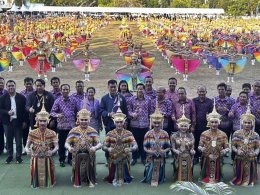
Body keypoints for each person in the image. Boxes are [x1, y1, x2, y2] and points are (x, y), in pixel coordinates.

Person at [65, 100, 102, 188]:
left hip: (89, 154)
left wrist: (95, 148)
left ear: (89, 120)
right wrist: (69, 148)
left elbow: (99, 143)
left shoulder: (92, 130)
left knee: (89, 167)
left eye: (86, 120)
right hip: (77, 154)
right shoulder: (73, 131)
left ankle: (90, 179)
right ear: (78, 120)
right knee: (77, 170)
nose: (84, 121)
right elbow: (67, 143)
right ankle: (77, 179)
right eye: (82, 120)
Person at [25, 102, 58, 188]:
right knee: (35, 162)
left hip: (48, 156)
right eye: (40, 121)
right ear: (37, 121)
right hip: (36, 156)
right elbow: (27, 146)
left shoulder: (52, 133)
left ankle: (49, 181)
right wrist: (27, 150)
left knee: (48, 166)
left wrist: (53, 151)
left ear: (47, 121)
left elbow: (56, 146)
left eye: (44, 121)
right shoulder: (32, 132)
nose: (42, 123)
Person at [103, 107, 138, 186]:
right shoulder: (110, 133)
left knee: (125, 163)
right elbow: (103, 146)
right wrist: (108, 149)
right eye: (117, 122)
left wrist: (130, 149)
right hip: (113, 157)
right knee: (111, 176)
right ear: (114, 122)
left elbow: (135, 145)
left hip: (125, 157)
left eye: (121, 122)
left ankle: (126, 176)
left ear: (124, 122)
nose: (119, 124)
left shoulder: (128, 133)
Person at [198, 100, 229, 183]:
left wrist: (224, 151)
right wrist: (201, 149)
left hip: (218, 157)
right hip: (207, 157)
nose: (214, 124)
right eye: (212, 122)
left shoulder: (223, 134)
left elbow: (227, 148)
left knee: (218, 175)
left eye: (216, 122)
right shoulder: (204, 134)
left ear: (218, 123)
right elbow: (199, 146)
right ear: (209, 123)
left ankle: (217, 178)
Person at [141, 104, 171, 187]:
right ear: (152, 122)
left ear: (161, 122)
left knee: (160, 178)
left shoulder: (165, 134)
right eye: (155, 123)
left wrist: (163, 151)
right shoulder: (148, 133)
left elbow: (168, 147)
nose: (157, 125)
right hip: (151, 157)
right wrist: (151, 151)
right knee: (149, 178)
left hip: (161, 157)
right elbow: (144, 147)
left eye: (158, 123)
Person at [230, 103, 260, 186]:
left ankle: (249, 178)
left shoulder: (256, 135)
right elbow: (232, 145)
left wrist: (255, 153)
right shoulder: (236, 133)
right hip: (240, 157)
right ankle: (239, 177)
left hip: (250, 158)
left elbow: (258, 148)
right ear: (242, 123)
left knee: (250, 179)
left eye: (249, 123)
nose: (247, 124)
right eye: (245, 122)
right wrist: (237, 151)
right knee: (238, 176)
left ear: (252, 124)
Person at [50, 84, 79, 167]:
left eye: (67, 89)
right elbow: (52, 112)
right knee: (62, 143)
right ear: (61, 90)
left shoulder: (74, 100)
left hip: (72, 126)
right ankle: (62, 159)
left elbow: (78, 111)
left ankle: (70, 159)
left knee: (72, 143)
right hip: (61, 126)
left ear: (69, 90)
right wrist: (57, 115)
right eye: (63, 89)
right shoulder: (58, 101)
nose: (65, 91)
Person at [0, 80, 27, 164]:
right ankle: (10, 156)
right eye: (9, 86)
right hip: (7, 123)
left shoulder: (22, 97)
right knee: (9, 140)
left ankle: (18, 156)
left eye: (12, 86)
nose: (11, 87)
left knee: (19, 140)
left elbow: (25, 111)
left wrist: (24, 121)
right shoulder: (2, 98)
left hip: (18, 122)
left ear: (15, 86)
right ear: (6, 87)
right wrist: (7, 112)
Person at [128, 83, 154, 165]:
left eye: (141, 89)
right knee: (134, 141)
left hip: (145, 124)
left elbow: (151, 111)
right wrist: (132, 114)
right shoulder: (131, 99)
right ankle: (134, 158)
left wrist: (150, 121)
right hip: (134, 124)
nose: (140, 90)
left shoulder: (148, 99)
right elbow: (128, 110)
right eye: (138, 89)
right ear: (136, 90)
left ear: (144, 89)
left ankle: (143, 158)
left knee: (144, 142)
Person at [171, 108, 195, 181]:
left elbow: (192, 148)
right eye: (182, 126)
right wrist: (176, 151)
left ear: (188, 126)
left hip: (188, 155)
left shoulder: (191, 135)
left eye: (185, 126)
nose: (183, 128)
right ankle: (178, 177)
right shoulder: (174, 136)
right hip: (178, 155)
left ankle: (188, 178)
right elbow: (173, 148)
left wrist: (192, 151)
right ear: (179, 126)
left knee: (189, 165)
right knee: (178, 166)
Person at [192, 86, 213, 164]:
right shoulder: (193, 101)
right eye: (200, 91)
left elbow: (211, 114)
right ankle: (196, 157)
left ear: (206, 92)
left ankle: (204, 157)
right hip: (196, 125)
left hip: (206, 126)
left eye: (203, 91)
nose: (201, 93)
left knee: (206, 142)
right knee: (196, 141)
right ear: (197, 92)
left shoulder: (210, 101)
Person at [20, 77, 35, 154]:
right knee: (24, 133)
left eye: (30, 83)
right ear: (24, 84)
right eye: (27, 84)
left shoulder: (36, 92)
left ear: (33, 83)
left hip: (34, 117)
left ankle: (34, 148)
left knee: (34, 133)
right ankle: (26, 148)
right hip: (25, 117)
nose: (28, 85)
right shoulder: (21, 93)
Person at [0, 77, 7, 155]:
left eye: (2, 83)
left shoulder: (7, 92)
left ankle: (8, 148)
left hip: (6, 118)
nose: (0, 84)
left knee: (8, 135)